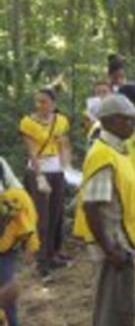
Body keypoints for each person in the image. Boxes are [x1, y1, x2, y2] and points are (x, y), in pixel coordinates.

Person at [72, 94, 135, 326]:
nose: (133, 125)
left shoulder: (118, 149)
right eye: (128, 120)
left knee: (121, 308)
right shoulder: (103, 154)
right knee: (111, 311)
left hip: (122, 242)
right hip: (114, 246)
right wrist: (109, 249)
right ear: (111, 121)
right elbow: (92, 207)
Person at [18, 88, 72, 276]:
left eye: (44, 101)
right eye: (38, 101)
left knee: (57, 213)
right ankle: (40, 259)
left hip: (56, 169)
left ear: (53, 103)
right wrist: (40, 176)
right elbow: (31, 151)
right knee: (42, 216)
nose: (40, 105)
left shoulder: (60, 121)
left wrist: (66, 168)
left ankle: (53, 253)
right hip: (38, 170)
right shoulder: (28, 123)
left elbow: (63, 145)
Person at [0, 155, 39, 326]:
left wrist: (29, 242)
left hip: (4, 247)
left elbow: (22, 205)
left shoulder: (1, 164)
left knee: (9, 303)